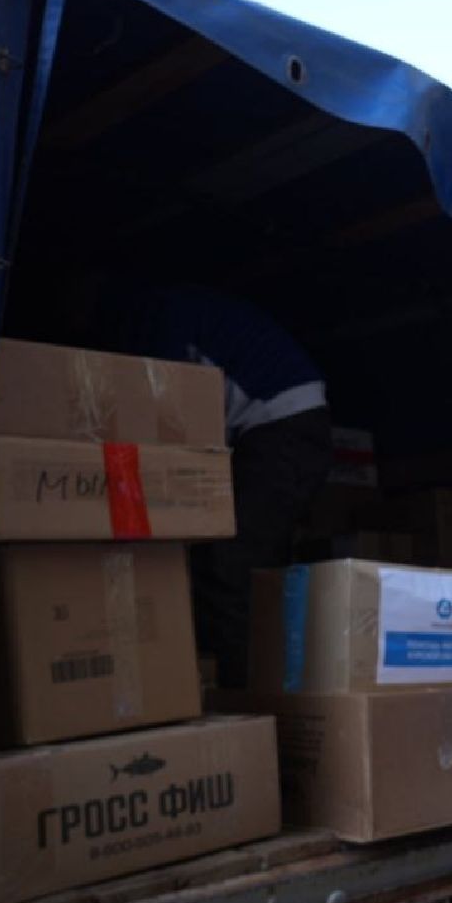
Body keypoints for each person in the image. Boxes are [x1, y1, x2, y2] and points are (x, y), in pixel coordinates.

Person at [89, 281, 331, 689]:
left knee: (229, 565)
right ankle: (226, 681)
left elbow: (161, 406)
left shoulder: (159, 318)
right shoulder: (171, 313)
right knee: (231, 560)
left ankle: (239, 699)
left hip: (281, 428)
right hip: (274, 430)